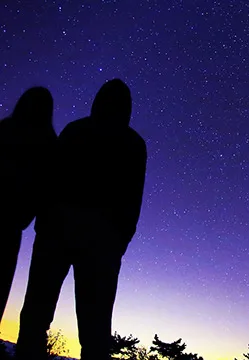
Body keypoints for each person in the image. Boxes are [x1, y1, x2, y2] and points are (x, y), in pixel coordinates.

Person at [15, 79, 147, 360]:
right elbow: (132, 200)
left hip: (71, 235)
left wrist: (115, 242)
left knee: (45, 317)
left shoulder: (79, 130)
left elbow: (50, 178)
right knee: (89, 326)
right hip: (79, 236)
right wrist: (117, 241)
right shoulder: (130, 142)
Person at [0, 87, 56, 324]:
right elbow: (45, 191)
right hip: (11, 228)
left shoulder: (6, 129)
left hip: (11, 226)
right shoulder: (48, 143)